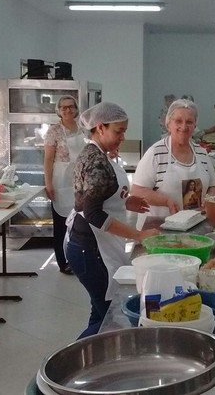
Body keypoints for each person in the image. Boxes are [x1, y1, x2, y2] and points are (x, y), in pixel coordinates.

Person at [65, 102, 160, 338]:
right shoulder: (97, 162)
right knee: (112, 317)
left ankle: (87, 354)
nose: (123, 137)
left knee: (100, 315)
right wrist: (138, 235)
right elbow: (93, 213)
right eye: (119, 131)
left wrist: (126, 201)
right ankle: (72, 357)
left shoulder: (98, 154)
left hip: (87, 244)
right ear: (100, 128)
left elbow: (100, 196)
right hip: (90, 248)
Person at [132, 99, 215, 228]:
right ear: (168, 123)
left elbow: (213, 187)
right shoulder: (156, 153)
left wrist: (209, 200)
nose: (184, 127)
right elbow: (137, 191)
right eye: (178, 121)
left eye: (189, 122)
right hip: (159, 228)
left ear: (195, 125)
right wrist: (166, 201)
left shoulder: (201, 153)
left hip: (194, 226)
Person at [43, 94, 84, 274]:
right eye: (63, 107)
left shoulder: (83, 129)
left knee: (80, 222)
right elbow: (48, 160)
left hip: (81, 180)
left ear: (76, 109)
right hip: (61, 180)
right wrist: (48, 184)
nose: (67, 110)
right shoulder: (54, 131)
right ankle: (63, 262)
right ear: (58, 111)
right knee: (61, 224)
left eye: (71, 106)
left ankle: (79, 258)